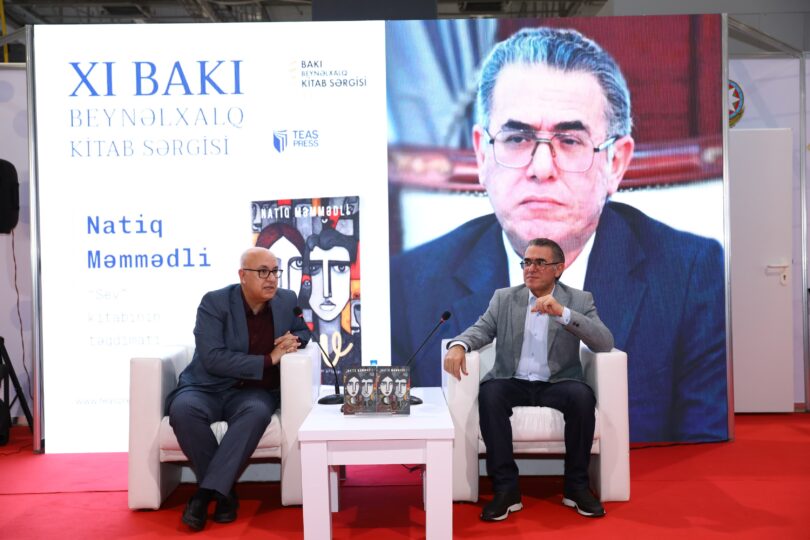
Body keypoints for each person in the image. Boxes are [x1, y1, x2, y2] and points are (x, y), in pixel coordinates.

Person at [391, 26, 727, 443]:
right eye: (517, 138)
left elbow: (701, 448)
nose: (541, 167)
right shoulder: (412, 284)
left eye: (569, 140)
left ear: (615, 163)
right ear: (482, 154)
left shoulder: (689, 275)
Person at [444, 238, 613, 521]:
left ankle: (576, 487)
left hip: (558, 382)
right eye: (527, 262)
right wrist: (459, 345)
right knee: (490, 394)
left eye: (539, 262)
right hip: (513, 380)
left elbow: (604, 343)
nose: (530, 268)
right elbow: (481, 329)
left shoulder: (579, 300)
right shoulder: (505, 298)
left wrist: (563, 314)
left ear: (558, 269)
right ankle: (506, 489)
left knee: (582, 397)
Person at [165, 247, 311, 531]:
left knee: (256, 413)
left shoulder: (286, 300)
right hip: (206, 386)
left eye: (275, 271)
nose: (272, 279)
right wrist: (269, 359)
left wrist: (294, 339)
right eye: (263, 272)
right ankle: (225, 492)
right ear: (243, 275)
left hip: (254, 391)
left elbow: (302, 330)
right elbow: (213, 358)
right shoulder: (214, 302)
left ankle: (204, 495)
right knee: (182, 410)